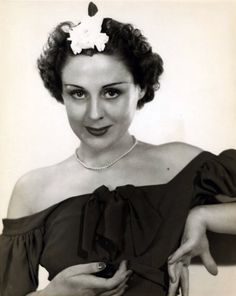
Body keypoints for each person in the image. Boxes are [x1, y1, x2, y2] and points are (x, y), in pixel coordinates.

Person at [0, 2, 236, 296]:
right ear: (60, 94)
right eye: (78, 93)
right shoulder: (32, 190)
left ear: (141, 88)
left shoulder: (182, 164)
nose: (94, 113)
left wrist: (203, 216)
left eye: (112, 92)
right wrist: (52, 294)